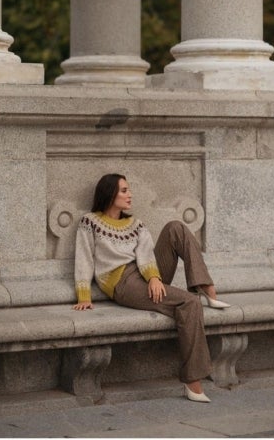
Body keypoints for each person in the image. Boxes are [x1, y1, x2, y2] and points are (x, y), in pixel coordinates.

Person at [73, 173, 230, 403]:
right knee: (189, 302)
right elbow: (84, 258)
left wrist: (155, 278)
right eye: (124, 190)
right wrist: (84, 295)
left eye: (129, 190)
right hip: (123, 283)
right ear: (109, 193)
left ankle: (206, 285)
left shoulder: (136, 224)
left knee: (176, 227)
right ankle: (192, 379)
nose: (130, 195)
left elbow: (146, 255)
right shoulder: (90, 222)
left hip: (146, 274)